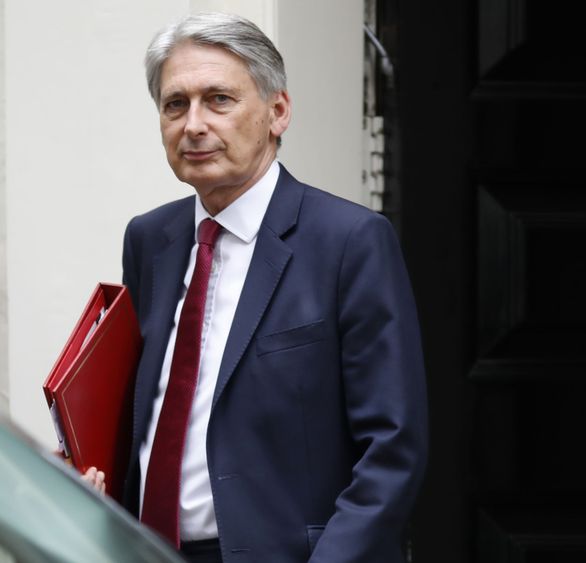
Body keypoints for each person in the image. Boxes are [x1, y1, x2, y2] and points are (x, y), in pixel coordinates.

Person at [87, 12, 428, 563]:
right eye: (176, 104)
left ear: (277, 112)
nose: (193, 124)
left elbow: (391, 451)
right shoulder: (150, 240)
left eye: (219, 99)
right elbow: (141, 413)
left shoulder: (350, 241)